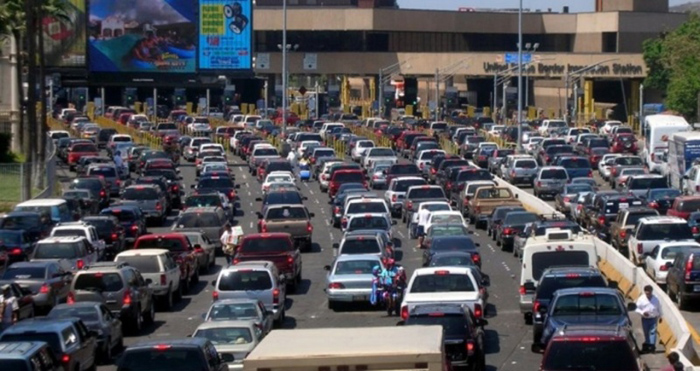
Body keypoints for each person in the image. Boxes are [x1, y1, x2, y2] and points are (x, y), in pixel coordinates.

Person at [636, 285, 662, 354]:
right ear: (645, 292)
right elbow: (637, 308)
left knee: (653, 332)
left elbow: (659, 308)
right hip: (645, 319)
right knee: (646, 332)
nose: (648, 295)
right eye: (647, 293)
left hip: (653, 318)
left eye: (649, 293)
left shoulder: (656, 299)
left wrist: (660, 316)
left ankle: (652, 346)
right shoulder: (641, 299)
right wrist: (643, 313)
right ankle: (647, 345)